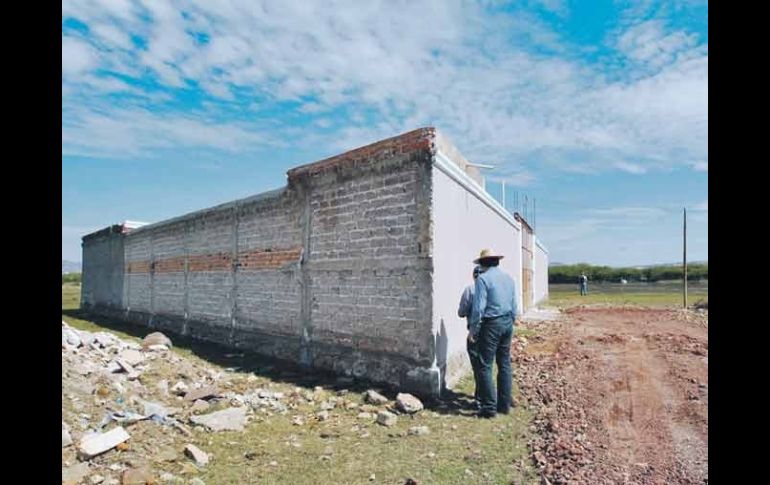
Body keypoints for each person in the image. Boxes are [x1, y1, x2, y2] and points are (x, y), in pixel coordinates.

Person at [468, 248, 518, 418]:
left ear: (482, 264)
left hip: (491, 324)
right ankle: (503, 406)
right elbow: (514, 305)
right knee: (504, 363)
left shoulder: (483, 280)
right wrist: (511, 321)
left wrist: (473, 330)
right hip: (506, 322)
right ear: (497, 261)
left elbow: (479, 308)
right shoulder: (509, 279)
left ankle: (489, 408)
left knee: (485, 365)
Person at [458, 265, 482, 409]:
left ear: (474, 276)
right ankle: (488, 396)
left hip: (476, 333)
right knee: (487, 365)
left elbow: (461, 312)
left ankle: (480, 399)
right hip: (493, 332)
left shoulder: (470, 290)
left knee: (478, 367)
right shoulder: (492, 290)